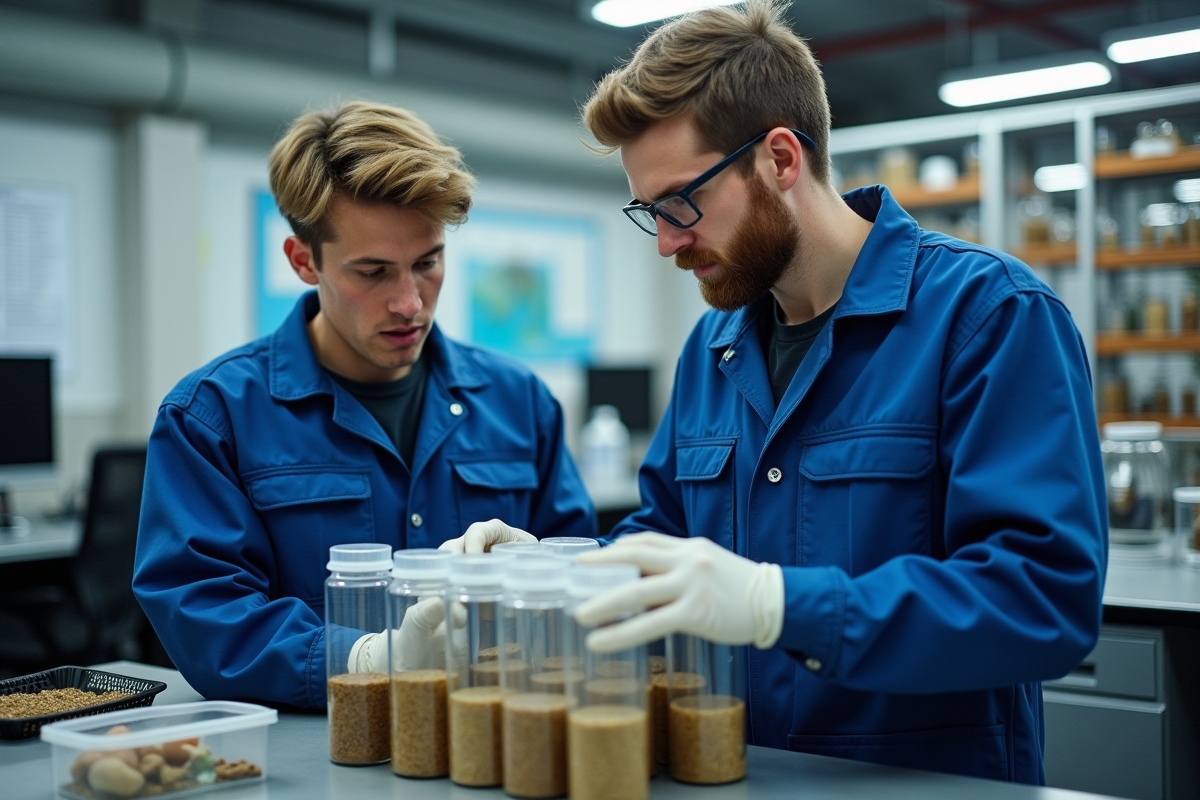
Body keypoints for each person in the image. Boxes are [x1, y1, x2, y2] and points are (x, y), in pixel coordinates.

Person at [568, 1, 1105, 785]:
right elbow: (663, 539)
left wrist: (777, 605)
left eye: (682, 202)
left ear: (781, 159)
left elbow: (1042, 599)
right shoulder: (712, 349)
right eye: (650, 212)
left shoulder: (988, 316)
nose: (667, 242)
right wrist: (557, 572)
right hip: (734, 775)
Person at [133, 101, 595, 709]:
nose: (409, 302)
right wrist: (363, 660)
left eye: (427, 263)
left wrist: (545, 572)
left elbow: (582, 577)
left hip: (499, 740)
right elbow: (204, 609)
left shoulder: (519, 402)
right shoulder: (213, 418)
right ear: (304, 261)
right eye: (373, 272)